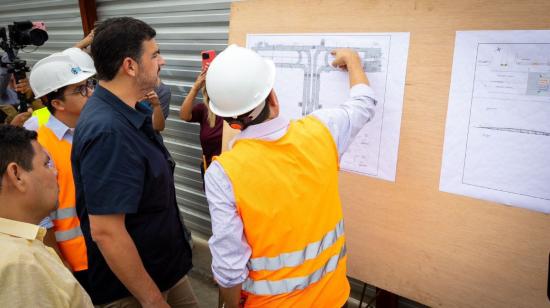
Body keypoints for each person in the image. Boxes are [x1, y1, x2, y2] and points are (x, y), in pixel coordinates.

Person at [204, 45, 377, 307]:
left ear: (228, 119)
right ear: (273, 97)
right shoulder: (323, 131)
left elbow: (230, 269)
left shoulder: (224, 174)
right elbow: (363, 104)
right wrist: (353, 61)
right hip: (333, 298)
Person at [72, 17, 197, 307]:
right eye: (154, 55)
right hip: (136, 290)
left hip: (164, 270)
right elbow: (106, 231)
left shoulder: (131, 109)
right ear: (129, 66)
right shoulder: (109, 131)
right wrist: (153, 300)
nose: (161, 61)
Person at [0, 124, 93, 307]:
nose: (55, 172)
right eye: (46, 164)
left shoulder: (21, 249)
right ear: (16, 175)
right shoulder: (20, 265)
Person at [27, 50, 96, 290]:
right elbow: (40, 216)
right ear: (56, 103)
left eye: (89, 85)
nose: (91, 93)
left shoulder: (93, 130)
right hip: (78, 261)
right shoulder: (39, 144)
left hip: (111, 246)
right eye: (81, 90)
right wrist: (59, 261)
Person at [179, 68, 222, 180]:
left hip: (232, 173)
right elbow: (184, 115)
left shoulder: (237, 110)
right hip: (210, 172)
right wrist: (195, 88)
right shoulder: (205, 109)